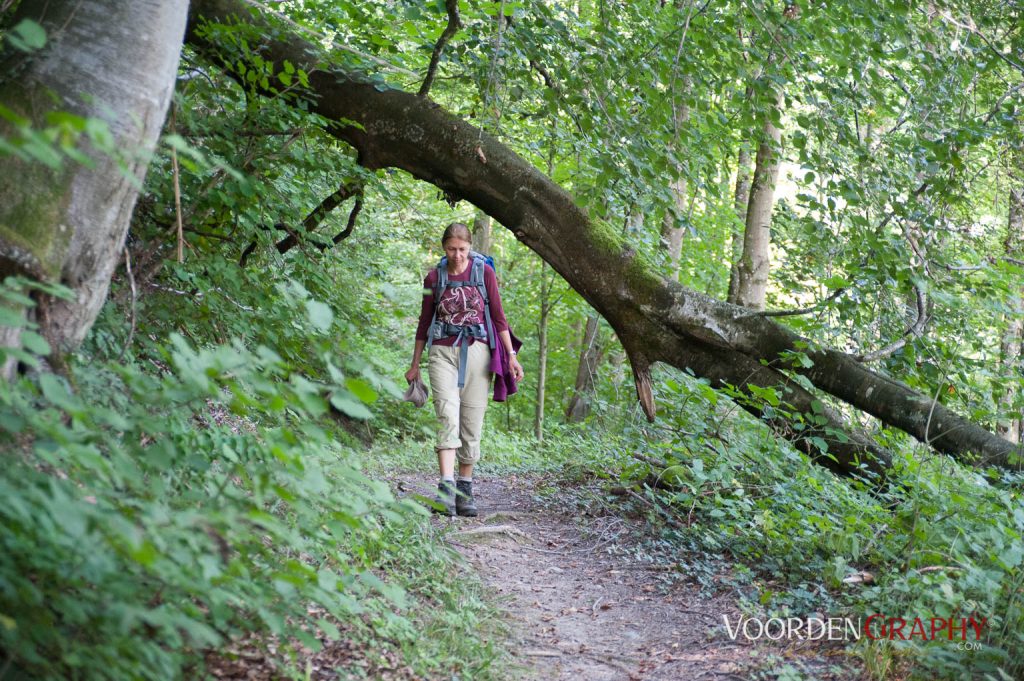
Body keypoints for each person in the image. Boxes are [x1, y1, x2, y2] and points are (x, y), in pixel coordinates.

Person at [406, 222, 524, 517]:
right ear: (443, 248)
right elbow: (424, 322)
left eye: (462, 249)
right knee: (447, 415)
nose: (457, 255)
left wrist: (511, 355)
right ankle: (446, 488)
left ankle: (465, 488)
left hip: (478, 352)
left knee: (472, 420)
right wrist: (414, 364)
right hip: (442, 352)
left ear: (470, 248)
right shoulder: (434, 277)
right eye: (451, 249)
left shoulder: (484, 273)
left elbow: (499, 318)